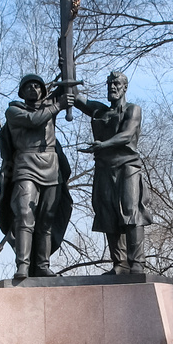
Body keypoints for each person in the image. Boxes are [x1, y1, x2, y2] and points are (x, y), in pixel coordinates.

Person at [73, 71, 152, 274]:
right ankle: (120, 264)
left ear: (125, 87)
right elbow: (76, 98)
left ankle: (137, 264)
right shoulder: (99, 110)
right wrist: (67, 75)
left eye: (116, 84)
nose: (112, 87)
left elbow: (126, 135)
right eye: (109, 84)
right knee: (107, 212)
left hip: (127, 166)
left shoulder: (133, 110)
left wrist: (103, 144)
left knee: (131, 211)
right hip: (104, 168)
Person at [0, 74, 72, 280]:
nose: (33, 88)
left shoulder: (48, 107)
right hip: (26, 164)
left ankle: (42, 265)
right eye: (28, 86)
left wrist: (66, 72)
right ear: (22, 91)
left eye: (37, 86)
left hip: (51, 166)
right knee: (24, 215)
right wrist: (58, 106)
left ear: (43, 91)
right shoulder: (14, 111)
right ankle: (23, 265)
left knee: (47, 219)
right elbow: (34, 121)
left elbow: (64, 93)